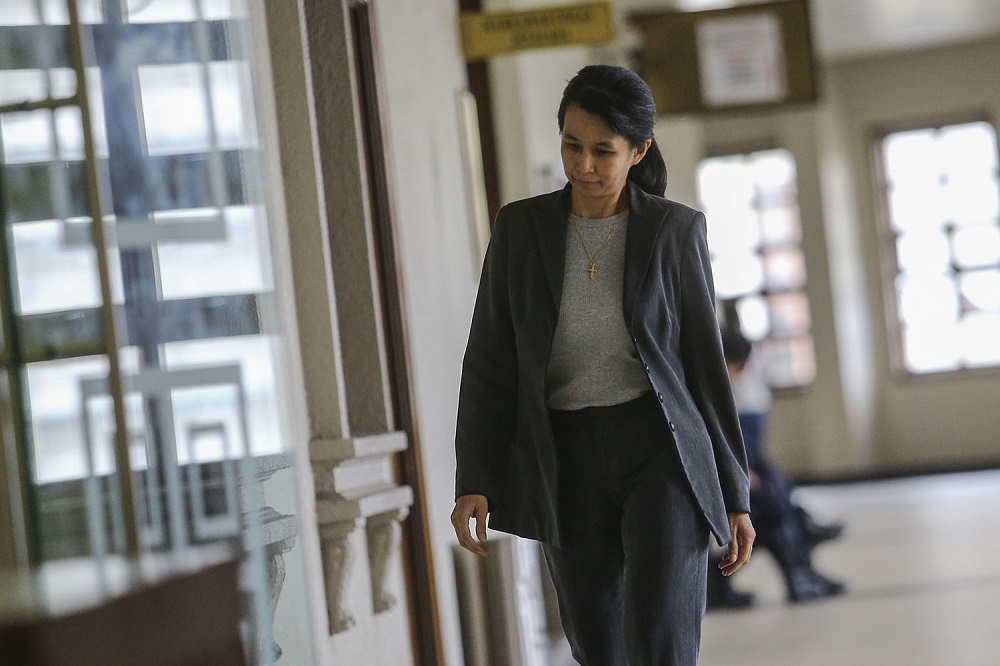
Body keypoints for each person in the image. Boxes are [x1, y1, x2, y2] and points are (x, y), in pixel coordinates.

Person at [450, 64, 755, 666]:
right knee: (598, 643)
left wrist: (735, 492)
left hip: (661, 453)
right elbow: (490, 360)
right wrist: (475, 478)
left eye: (602, 151)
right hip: (564, 460)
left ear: (638, 151)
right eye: (571, 145)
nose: (582, 165)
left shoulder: (674, 230)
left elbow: (703, 368)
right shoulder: (520, 229)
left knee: (661, 637)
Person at [707, 324, 845, 607]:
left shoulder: (725, 390)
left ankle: (797, 569)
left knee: (777, 504)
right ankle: (798, 572)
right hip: (718, 478)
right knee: (773, 511)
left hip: (736, 472)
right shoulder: (707, 389)